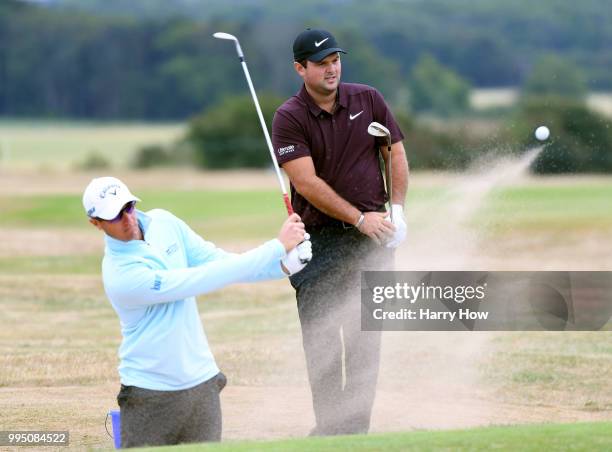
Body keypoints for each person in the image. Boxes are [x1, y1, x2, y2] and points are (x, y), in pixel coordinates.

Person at [82, 176, 312, 448]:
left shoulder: (165, 223)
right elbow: (202, 278)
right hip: (149, 395)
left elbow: (220, 262)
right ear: (96, 223)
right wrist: (275, 247)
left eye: (129, 207)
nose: (127, 218)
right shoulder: (121, 276)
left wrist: (283, 266)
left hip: (203, 386)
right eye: (115, 216)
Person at [272, 29, 409, 435]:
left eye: (335, 60)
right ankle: (331, 433)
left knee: (367, 346)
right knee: (324, 348)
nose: (331, 68)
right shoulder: (290, 117)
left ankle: (355, 434)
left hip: (373, 243)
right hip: (321, 245)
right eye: (321, 63)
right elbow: (307, 182)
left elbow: (394, 151)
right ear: (301, 69)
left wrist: (396, 211)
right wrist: (360, 218)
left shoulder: (368, 99)